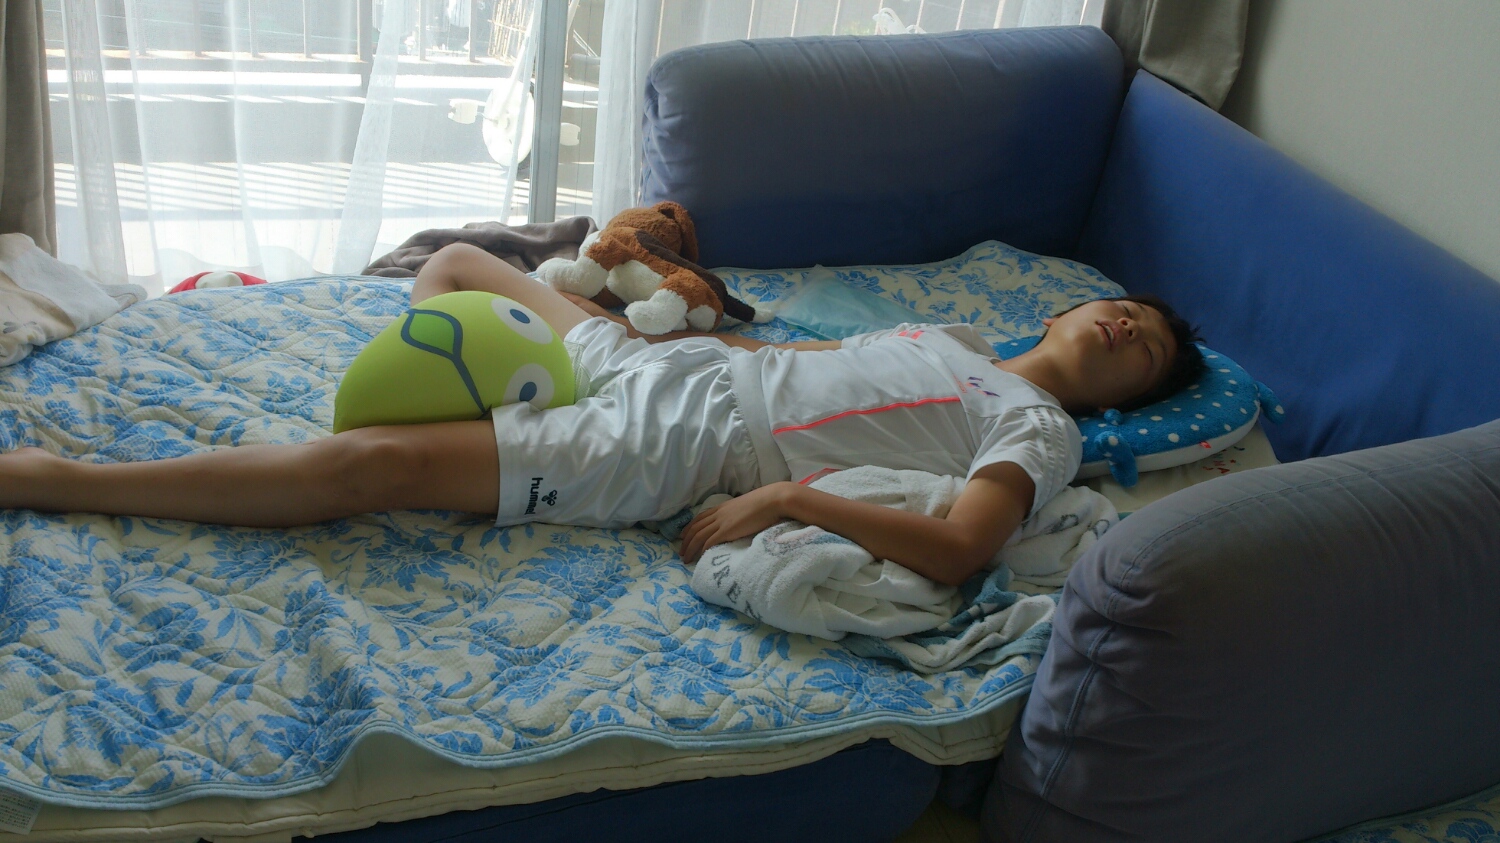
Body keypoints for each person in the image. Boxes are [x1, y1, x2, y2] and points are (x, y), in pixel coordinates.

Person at [0, 244, 1203, 587]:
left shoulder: (1039, 431)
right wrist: (666, 331)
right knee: (460, 263)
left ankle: (63, 481)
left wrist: (787, 498)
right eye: (1119, 310)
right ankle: (467, 407)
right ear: (1066, 306)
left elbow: (963, 549)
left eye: (1143, 348)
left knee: (367, 466)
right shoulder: (948, 340)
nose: (1122, 327)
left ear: (1129, 396)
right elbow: (799, 360)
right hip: (672, 373)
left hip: (684, 446)